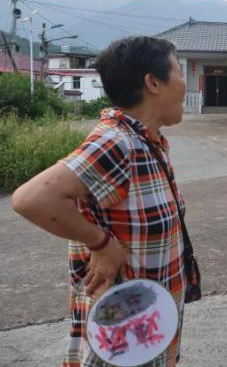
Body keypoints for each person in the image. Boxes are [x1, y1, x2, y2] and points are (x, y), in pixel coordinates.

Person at [12, 36, 191, 367]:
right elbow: (31, 199)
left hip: (146, 328)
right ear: (153, 83)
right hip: (121, 337)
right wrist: (101, 243)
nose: (185, 84)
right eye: (180, 73)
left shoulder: (146, 141)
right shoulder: (117, 142)